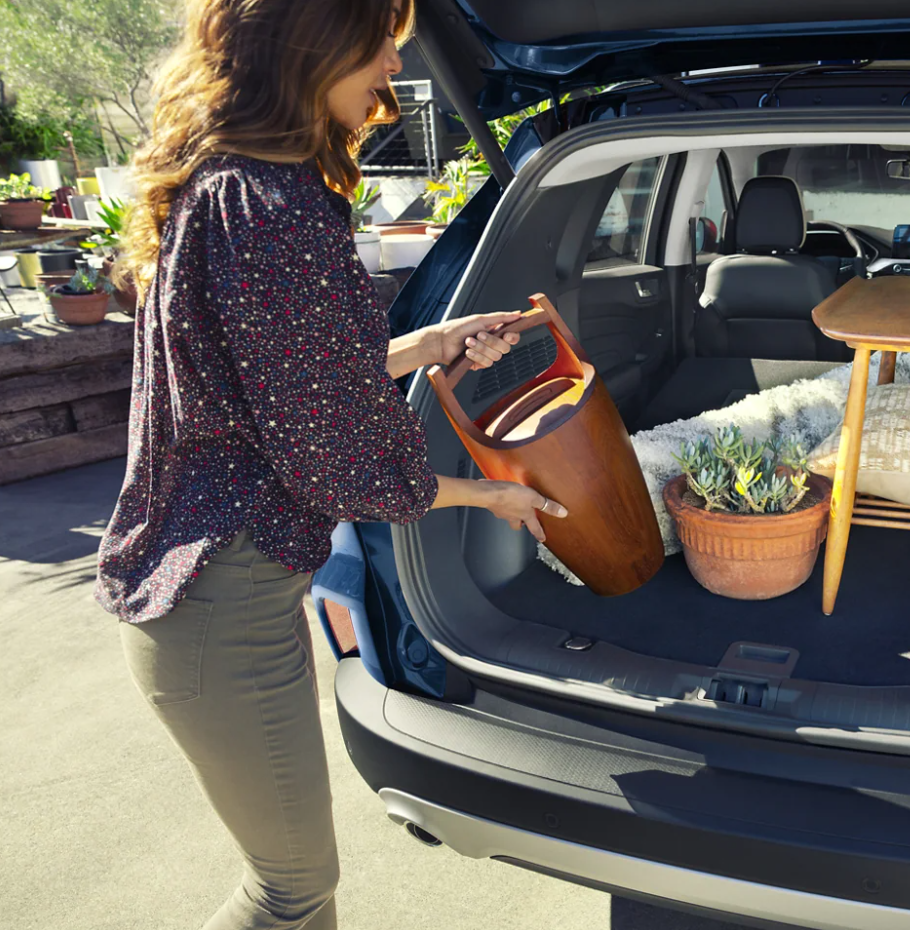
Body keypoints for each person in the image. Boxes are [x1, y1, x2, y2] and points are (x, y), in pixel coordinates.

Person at [94, 1, 564, 927]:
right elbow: (334, 452)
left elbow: (279, 382)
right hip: (219, 608)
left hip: (206, 598)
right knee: (291, 893)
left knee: (292, 887)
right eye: (378, 38)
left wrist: (430, 343)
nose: (394, 62)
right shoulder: (274, 208)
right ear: (310, 42)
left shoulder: (226, 185)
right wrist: (485, 493)